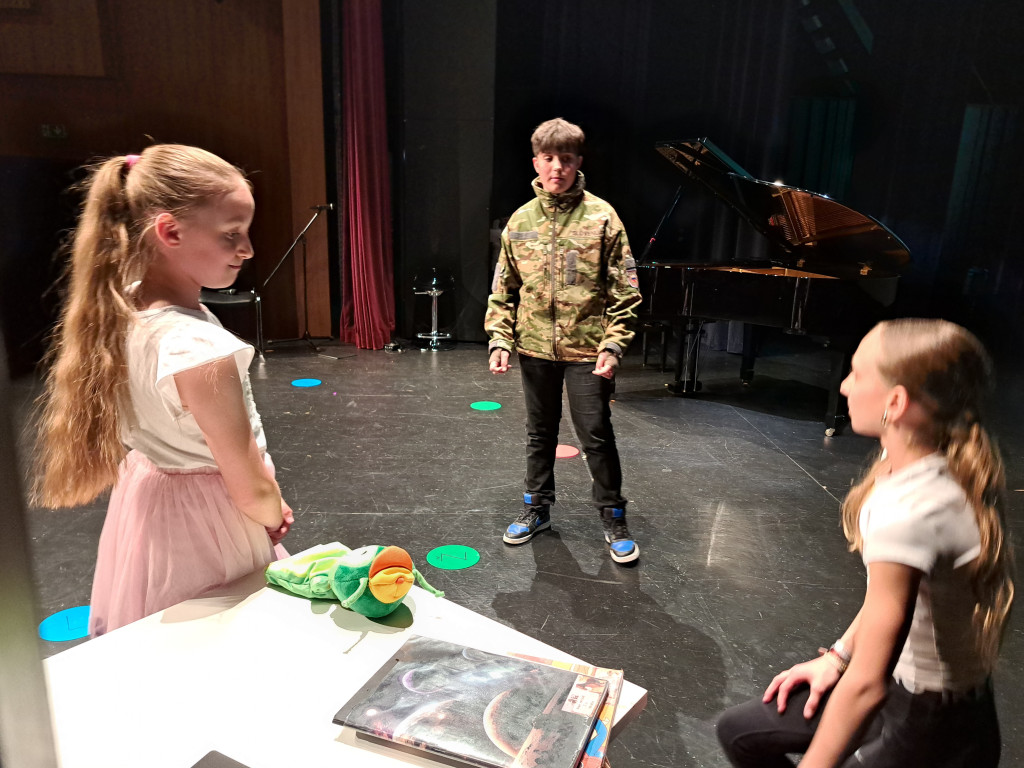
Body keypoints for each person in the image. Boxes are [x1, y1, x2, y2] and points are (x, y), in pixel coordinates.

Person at [716, 318, 1014, 767]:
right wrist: (837, 658)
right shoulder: (920, 462)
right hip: (907, 689)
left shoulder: (911, 510)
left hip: (931, 725)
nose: (844, 385)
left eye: (857, 373)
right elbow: (887, 604)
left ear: (896, 402)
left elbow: (867, 686)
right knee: (740, 732)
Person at [32, 144, 294, 635]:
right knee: (217, 639)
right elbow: (247, 483)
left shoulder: (121, 310)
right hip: (210, 523)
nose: (248, 249)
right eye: (231, 234)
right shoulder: (197, 346)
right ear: (170, 232)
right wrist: (271, 508)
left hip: (152, 505)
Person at [485, 118, 642, 564]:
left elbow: (626, 291)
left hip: (587, 350)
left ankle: (613, 517)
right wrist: (500, 340)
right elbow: (503, 289)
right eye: (549, 158)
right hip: (535, 348)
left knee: (595, 434)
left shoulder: (602, 217)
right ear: (536, 162)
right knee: (539, 433)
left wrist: (613, 345)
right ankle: (537, 508)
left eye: (566, 159)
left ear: (578, 162)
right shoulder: (520, 221)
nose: (558, 167)